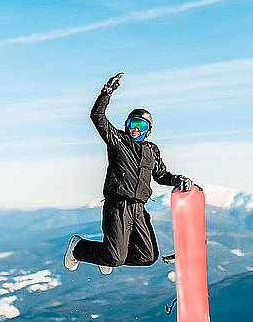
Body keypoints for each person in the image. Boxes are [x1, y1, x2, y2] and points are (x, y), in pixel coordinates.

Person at [63, 72, 194, 275]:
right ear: (126, 125)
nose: (135, 129)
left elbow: (161, 175)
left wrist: (177, 179)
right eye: (132, 124)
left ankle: (105, 255)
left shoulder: (152, 150)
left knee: (148, 257)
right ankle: (79, 249)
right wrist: (107, 92)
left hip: (139, 209)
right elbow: (97, 116)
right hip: (118, 205)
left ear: (148, 131)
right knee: (115, 257)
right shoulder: (117, 141)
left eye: (141, 126)